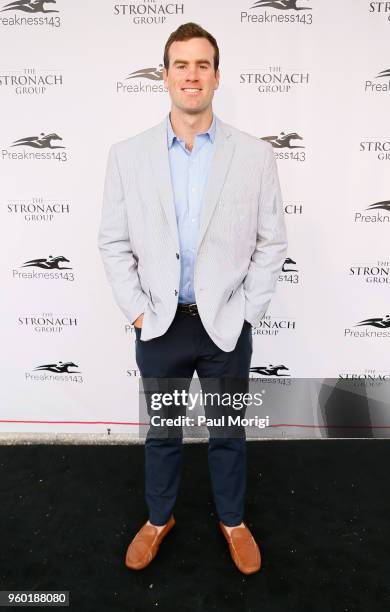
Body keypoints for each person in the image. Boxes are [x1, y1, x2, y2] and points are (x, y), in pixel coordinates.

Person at [98, 22, 287, 575]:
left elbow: (271, 242)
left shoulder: (254, 156)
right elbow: (112, 242)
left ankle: (233, 521)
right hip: (158, 325)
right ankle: (160, 519)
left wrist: (247, 311)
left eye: (202, 64)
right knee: (162, 433)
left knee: (228, 432)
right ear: (165, 75)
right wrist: (136, 309)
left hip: (226, 323)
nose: (192, 75)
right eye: (181, 64)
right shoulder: (126, 156)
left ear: (217, 77)